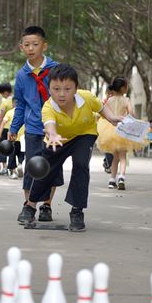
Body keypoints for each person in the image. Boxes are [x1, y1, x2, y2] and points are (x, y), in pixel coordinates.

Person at [21, 64, 122, 231]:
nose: (61, 94)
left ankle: (77, 211)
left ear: (76, 88)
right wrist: (52, 134)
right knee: (45, 169)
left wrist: (111, 118)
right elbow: (49, 123)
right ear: (49, 89)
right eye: (56, 89)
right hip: (57, 139)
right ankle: (30, 206)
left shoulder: (87, 98)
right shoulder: (48, 107)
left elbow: (101, 107)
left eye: (67, 89)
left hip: (84, 135)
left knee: (81, 165)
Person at [9, 26, 59, 224]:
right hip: (32, 128)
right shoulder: (22, 76)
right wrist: (14, 128)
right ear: (21, 47)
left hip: (55, 128)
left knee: (52, 167)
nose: (31, 48)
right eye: (27, 45)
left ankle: (47, 205)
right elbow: (20, 105)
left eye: (35, 44)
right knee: (32, 167)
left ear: (44, 46)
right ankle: (29, 205)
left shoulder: (56, 69)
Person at [96, 77, 144, 190]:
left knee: (114, 158)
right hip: (122, 130)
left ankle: (112, 180)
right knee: (123, 157)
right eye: (126, 86)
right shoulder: (126, 100)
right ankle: (121, 177)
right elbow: (131, 113)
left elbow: (105, 114)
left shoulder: (109, 100)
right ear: (123, 88)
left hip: (110, 129)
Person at [0, 99, 24, 179]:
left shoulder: (9, 112)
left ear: (13, 103)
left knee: (12, 155)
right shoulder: (24, 112)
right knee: (21, 153)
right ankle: (20, 164)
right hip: (23, 137)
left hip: (13, 137)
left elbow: (3, 122)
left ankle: (13, 172)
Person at [0, 82, 13, 174]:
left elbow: (1, 118)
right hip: (15, 128)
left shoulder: (5, 103)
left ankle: (5, 168)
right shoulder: (16, 100)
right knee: (13, 148)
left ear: (5, 93)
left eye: (2, 93)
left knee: (3, 147)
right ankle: (12, 168)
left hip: (5, 128)